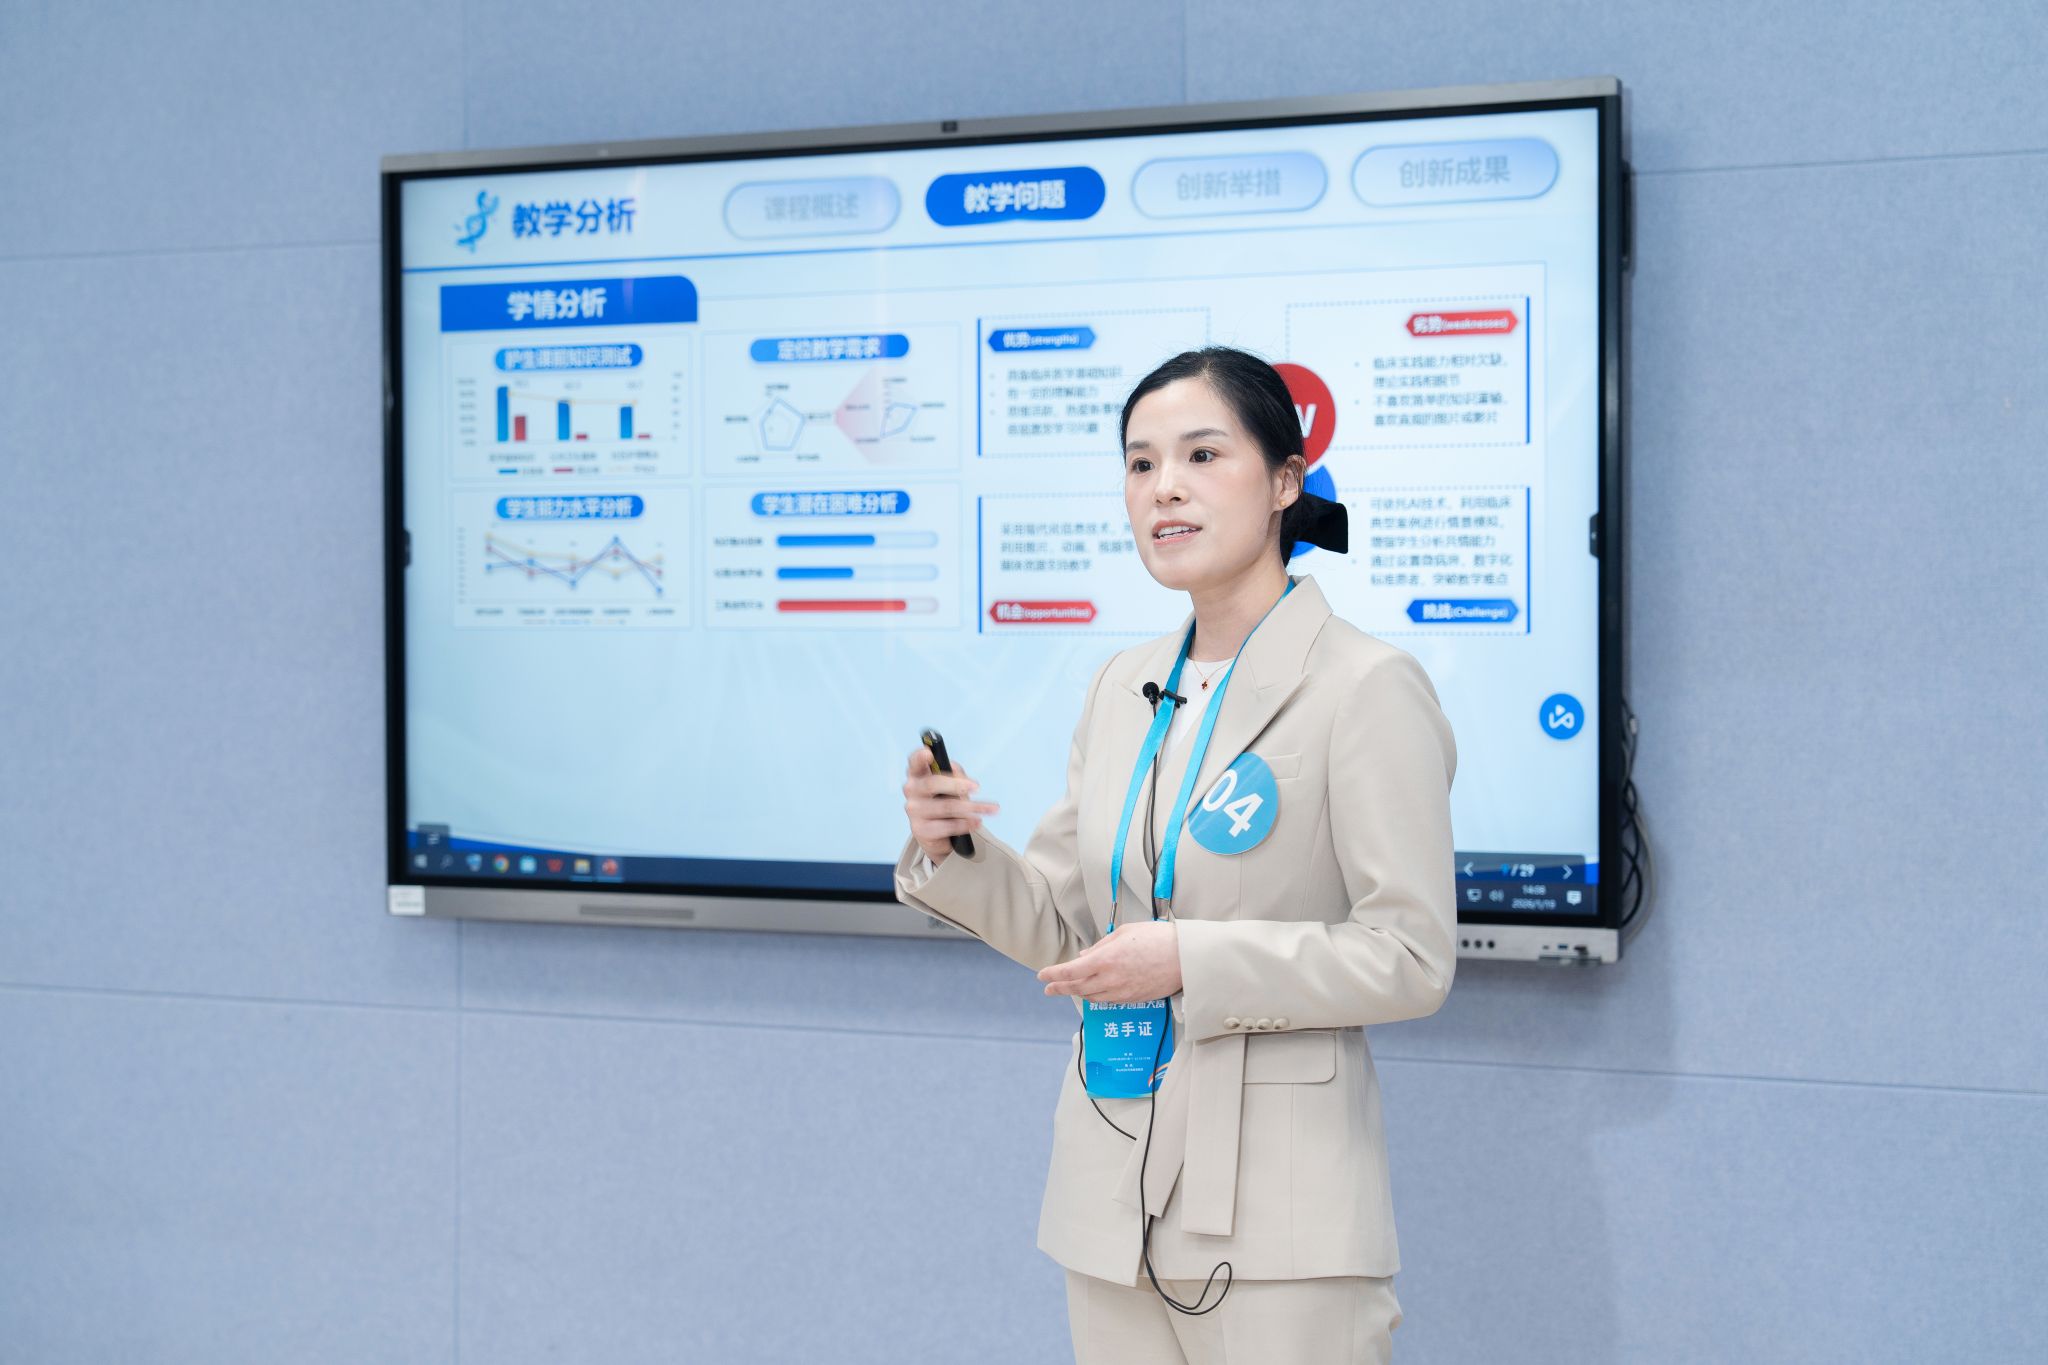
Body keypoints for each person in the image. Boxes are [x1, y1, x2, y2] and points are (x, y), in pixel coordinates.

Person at [895, 345, 1458, 1364]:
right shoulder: (1122, 684)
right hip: (1110, 1198)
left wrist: (1190, 958)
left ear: (1284, 481)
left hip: (1281, 1218)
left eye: (1202, 455)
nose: (1164, 488)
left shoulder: (1364, 686)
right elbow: (1070, 930)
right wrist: (953, 847)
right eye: (1140, 463)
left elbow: (1409, 957)